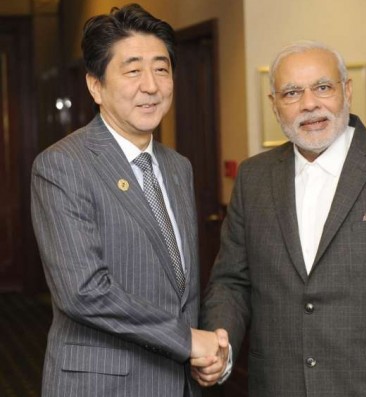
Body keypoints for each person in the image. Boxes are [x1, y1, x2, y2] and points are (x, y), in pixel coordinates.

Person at [198, 41, 366, 396]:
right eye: (292, 92)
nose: (309, 104)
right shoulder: (254, 178)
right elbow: (231, 282)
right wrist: (221, 344)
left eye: (323, 87)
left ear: (347, 90)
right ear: (274, 105)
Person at [31, 4, 227, 396]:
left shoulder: (177, 167)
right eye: (133, 70)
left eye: (161, 68)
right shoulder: (62, 165)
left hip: (176, 382)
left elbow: (180, 284)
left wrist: (207, 355)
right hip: (104, 384)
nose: (151, 85)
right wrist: (188, 340)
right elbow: (83, 291)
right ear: (95, 86)